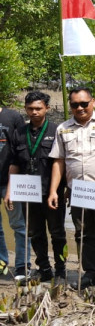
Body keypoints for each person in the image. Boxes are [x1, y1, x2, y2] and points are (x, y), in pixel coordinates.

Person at [48, 87, 95, 291]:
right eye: (74, 105)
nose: (79, 108)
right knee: (83, 234)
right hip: (78, 191)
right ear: (70, 106)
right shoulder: (63, 128)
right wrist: (54, 190)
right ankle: (92, 274)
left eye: (84, 104)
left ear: (93, 102)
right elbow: (59, 162)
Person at [5, 92, 64, 282]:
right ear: (25, 109)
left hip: (51, 192)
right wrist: (10, 191)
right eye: (30, 109)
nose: (34, 112)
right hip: (28, 193)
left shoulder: (56, 131)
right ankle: (44, 268)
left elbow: (61, 162)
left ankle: (61, 269)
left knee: (57, 232)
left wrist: (61, 189)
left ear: (46, 108)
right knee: (35, 233)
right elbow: (14, 163)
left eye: (38, 108)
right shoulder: (19, 133)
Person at [0, 101, 26, 280]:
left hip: (10, 180)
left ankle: (22, 266)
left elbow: (21, 151)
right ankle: (2, 263)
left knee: (19, 225)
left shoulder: (13, 117)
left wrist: (13, 184)